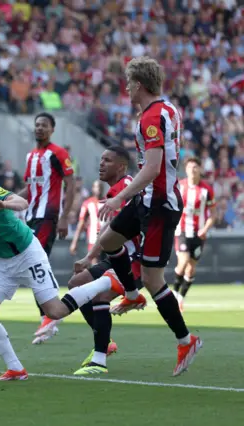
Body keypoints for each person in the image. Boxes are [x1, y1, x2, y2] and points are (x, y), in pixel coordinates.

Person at [0, 157, 124, 381]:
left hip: (26, 253)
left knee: (55, 311)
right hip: (3, 260)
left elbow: (20, 202)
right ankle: (16, 369)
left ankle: (107, 282)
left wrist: (3, 205)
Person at [97, 56, 201, 376]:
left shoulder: (152, 117)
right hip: (147, 200)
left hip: (159, 204)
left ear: (139, 85)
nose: (126, 88)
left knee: (154, 279)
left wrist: (119, 198)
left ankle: (186, 339)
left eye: (129, 83)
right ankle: (131, 294)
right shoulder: (168, 109)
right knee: (108, 240)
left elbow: (153, 167)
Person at [68, 146, 142, 375]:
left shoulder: (126, 189)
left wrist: (90, 256)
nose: (101, 164)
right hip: (117, 257)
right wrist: (89, 257)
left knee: (100, 296)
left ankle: (99, 361)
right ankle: (105, 341)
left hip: (135, 260)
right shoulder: (116, 191)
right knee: (75, 283)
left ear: (121, 166)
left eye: (107, 161)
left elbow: (116, 229)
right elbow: (112, 231)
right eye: (101, 160)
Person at [18, 112, 75, 344]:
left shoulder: (58, 154)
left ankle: (50, 316)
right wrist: (5, 201)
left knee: (35, 263)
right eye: (37, 125)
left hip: (49, 216)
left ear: (52, 129)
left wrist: (64, 217)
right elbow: (29, 190)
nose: (39, 128)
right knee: (34, 267)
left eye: (44, 125)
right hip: (31, 217)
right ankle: (48, 317)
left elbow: (71, 186)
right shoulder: (31, 156)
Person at [172, 157, 215, 311]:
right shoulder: (180, 186)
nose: (192, 170)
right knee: (182, 262)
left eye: (195, 167)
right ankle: (174, 294)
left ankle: (181, 298)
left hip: (199, 233)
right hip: (182, 231)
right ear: (186, 169)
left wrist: (205, 229)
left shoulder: (206, 190)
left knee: (191, 269)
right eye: (190, 167)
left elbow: (213, 214)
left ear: (199, 169)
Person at [70, 180, 102, 263]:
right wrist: (74, 242)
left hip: (107, 239)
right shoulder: (88, 203)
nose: (98, 189)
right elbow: (81, 223)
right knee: (95, 264)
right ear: (92, 189)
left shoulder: (108, 202)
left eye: (100, 186)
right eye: (96, 186)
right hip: (93, 239)